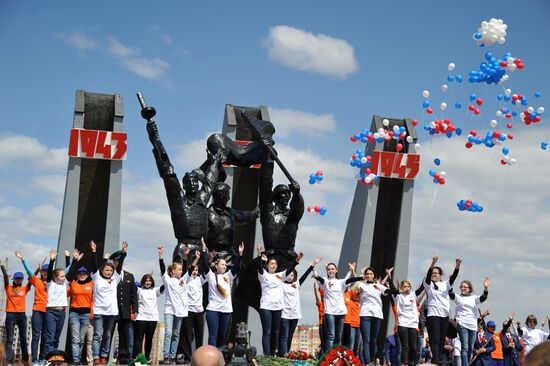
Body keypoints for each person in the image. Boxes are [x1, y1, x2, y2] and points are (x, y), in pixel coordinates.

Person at [256, 243, 303, 356]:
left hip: (278, 307)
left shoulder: (280, 275)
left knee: (276, 332)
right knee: (267, 331)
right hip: (266, 307)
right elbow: (259, 267)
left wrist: (297, 260)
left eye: (275, 264)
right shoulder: (263, 275)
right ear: (267, 265)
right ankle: (267, 354)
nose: (274, 265)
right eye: (271, 263)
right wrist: (259, 254)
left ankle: (273, 354)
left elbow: (290, 269)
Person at [200, 239, 244, 348]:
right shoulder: (211, 275)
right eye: (222, 264)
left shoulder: (228, 276)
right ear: (216, 266)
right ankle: (211, 359)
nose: (225, 266)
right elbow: (205, 264)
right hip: (213, 311)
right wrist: (204, 248)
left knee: (222, 336)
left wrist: (240, 254)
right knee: (213, 336)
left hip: (226, 311)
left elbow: (237, 266)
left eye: (225, 265)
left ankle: (219, 357)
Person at [313, 262, 364, 351]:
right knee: (331, 336)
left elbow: (349, 280)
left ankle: (336, 357)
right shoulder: (326, 281)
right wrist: (314, 272)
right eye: (329, 269)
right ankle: (329, 359)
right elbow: (321, 279)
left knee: (338, 337)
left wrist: (361, 277)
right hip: (329, 312)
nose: (331, 271)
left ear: (336, 270)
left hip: (340, 312)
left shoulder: (340, 282)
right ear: (327, 271)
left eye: (332, 269)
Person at [90, 240, 126, 365]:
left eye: (111, 271)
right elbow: (95, 265)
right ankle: (96, 357)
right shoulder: (97, 278)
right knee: (97, 335)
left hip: (111, 311)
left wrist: (123, 253)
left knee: (108, 335)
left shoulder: (115, 278)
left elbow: (120, 265)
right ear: (102, 270)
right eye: (107, 270)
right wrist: (94, 252)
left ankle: (104, 356)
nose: (109, 272)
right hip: (99, 310)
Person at [279, 256, 320, 356]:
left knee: (290, 335)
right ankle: (283, 354)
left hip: (295, 314)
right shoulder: (281, 284)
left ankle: (287, 353)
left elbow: (304, 276)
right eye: (288, 275)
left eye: (292, 275)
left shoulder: (297, 284)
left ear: (294, 276)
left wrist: (312, 266)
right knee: (284, 335)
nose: (290, 277)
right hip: (284, 314)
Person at [424, 256, 461, 364]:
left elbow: (453, 277)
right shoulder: (428, 284)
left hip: (444, 315)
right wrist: (433, 263)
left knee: (441, 338)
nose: (434, 274)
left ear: (440, 275)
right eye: (433, 273)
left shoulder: (445, 284)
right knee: (434, 338)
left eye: (436, 273)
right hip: (433, 315)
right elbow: (427, 276)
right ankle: (435, 359)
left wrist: (457, 265)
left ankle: (439, 358)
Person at [158, 245, 190, 364]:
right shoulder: (168, 280)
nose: (181, 271)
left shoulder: (183, 280)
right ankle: (166, 356)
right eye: (179, 269)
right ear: (172, 271)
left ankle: (172, 356)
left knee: (176, 334)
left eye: (181, 269)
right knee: (169, 332)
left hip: (180, 311)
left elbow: (187, 271)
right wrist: (161, 255)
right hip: (170, 309)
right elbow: (162, 269)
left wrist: (186, 257)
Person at [448, 277, 490, 366]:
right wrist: (451, 281)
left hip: (473, 325)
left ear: (469, 289)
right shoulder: (458, 297)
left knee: (470, 348)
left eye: (465, 287)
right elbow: (451, 293)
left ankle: (466, 363)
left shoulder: (474, 298)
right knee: (465, 346)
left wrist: (485, 288)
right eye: (461, 287)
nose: (463, 288)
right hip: (462, 323)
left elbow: (483, 298)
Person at [386, 275, 424, 366]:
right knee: (405, 346)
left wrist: (430, 269)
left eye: (408, 286)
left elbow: (423, 287)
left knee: (414, 347)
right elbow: (392, 287)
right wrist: (389, 277)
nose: (407, 288)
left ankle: (411, 363)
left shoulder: (413, 294)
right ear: (401, 288)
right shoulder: (398, 295)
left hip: (413, 324)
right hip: (402, 323)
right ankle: (405, 363)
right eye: (404, 286)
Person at [357, 267, 392, 364]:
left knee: (374, 339)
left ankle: (373, 360)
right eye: (367, 274)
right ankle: (368, 362)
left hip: (377, 315)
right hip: (365, 314)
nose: (369, 275)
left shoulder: (378, 286)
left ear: (374, 276)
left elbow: (388, 292)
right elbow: (357, 289)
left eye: (371, 273)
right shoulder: (362, 285)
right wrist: (360, 275)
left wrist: (400, 291)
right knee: (366, 339)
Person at [109, 250, 138, 365]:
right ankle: (105, 356)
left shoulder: (129, 276)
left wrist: (135, 310)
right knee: (108, 334)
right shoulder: (110, 275)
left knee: (124, 335)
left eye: (118, 261)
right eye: (115, 261)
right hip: (112, 310)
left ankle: (123, 357)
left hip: (125, 311)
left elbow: (133, 295)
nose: (116, 263)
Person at [177, 254, 206, 364]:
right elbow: (188, 271)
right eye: (193, 269)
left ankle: (200, 358)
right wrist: (196, 259)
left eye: (196, 270)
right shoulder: (186, 279)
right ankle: (188, 358)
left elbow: (207, 272)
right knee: (187, 336)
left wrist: (209, 259)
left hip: (199, 312)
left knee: (199, 336)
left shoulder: (200, 279)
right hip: (188, 311)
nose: (194, 271)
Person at [65, 249, 93, 365]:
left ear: (87, 275)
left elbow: (95, 270)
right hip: (74, 314)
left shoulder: (91, 284)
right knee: (75, 339)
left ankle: (78, 360)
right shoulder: (73, 284)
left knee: (81, 340)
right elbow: (68, 274)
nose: (82, 275)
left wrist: (93, 252)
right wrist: (73, 260)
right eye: (80, 274)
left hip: (86, 314)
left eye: (84, 274)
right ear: (77, 275)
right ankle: (76, 361)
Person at [1, 259, 30, 365]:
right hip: (11, 315)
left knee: (23, 338)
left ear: (22, 279)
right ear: (14, 279)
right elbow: (4, 277)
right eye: (17, 278)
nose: (18, 280)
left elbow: (32, 279)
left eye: (20, 278)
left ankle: (26, 360)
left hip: (22, 315)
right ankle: (8, 362)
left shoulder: (25, 288)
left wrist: (37, 270)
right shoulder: (8, 288)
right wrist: (2, 267)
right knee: (10, 339)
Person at [43, 249, 71, 357]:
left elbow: (70, 270)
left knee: (56, 337)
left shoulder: (64, 284)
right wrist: (51, 260)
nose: (64, 278)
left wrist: (69, 258)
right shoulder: (50, 283)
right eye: (62, 276)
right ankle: (48, 358)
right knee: (50, 337)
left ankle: (54, 358)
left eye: (64, 276)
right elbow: (50, 272)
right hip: (51, 312)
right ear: (55, 277)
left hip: (62, 312)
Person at [133, 272, 164, 361]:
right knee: (139, 338)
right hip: (141, 317)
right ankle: (138, 357)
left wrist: (165, 276)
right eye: (146, 281)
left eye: (150, 281)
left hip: (153, 318)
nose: (148, 282)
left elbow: (164, 286)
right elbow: (132, 285)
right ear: (143, 281)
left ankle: (146, 358)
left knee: (149, 338)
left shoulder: (155, 290)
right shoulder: (139, 290)